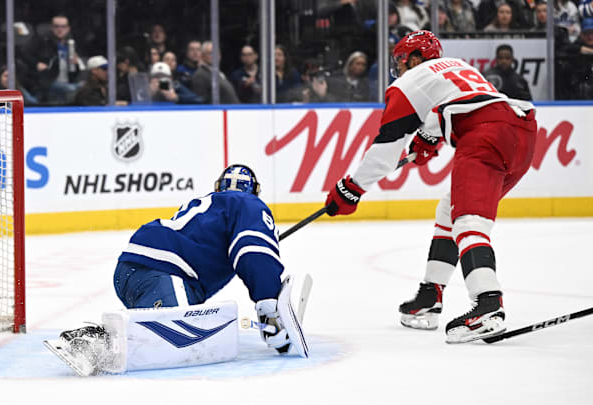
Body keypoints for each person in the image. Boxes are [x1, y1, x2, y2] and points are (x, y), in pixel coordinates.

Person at [324, 30, 537, 344]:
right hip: (523, 133)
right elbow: (461, 102)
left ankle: (488, 304)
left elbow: (385, 151)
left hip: (487, 135)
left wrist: (350, 189)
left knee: (468, 221)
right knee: (450, 210)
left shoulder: (407, 83)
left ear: (415, 58)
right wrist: (429, 136)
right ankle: (430, 295)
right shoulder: (457, 66)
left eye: (401, 60)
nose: (398, 69)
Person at [46, 165, 307, 375]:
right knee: (179, 343)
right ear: (255, 191)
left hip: (137, 269)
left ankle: (101, 338)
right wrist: (269, 308)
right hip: (164, 272)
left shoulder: (212, 207)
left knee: (165, 332)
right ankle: (96, 344)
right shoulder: (250, 205)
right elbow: (254, 252)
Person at [29, 14, 84, 104]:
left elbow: (74, 74)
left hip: (67, 82)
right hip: (48, 83)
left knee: (84, 86)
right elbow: (24, 54)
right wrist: (36, 64)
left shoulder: (71, 45)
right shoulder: (43, 41)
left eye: (63, 27)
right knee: (72, 88)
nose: (60, 29)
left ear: (68, 28)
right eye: (56, 26)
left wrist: (76, 64)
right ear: (52, 28)